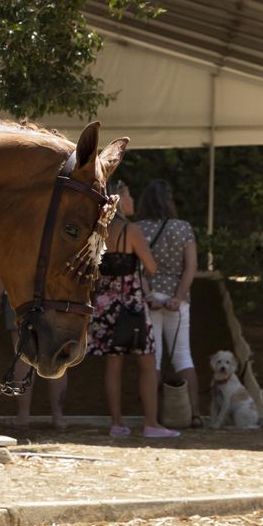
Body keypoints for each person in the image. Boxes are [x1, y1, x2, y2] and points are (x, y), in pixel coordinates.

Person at [91, 182, 178, 439]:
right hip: (131, 304)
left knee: (113, 366)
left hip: (105, 304)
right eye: (129, 195)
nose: (132, 201)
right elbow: (151, 267)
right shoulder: (132, 230)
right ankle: (151, 423)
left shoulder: (98, 230)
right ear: (119, 199)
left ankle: (117, 423)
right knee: (147, 363)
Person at [135, 180, 200, 426]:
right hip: (177, 301)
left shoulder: (137, 229)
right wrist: (178, 297)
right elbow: (191, 267)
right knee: (183, 357)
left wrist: (149, 294)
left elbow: (136, 269)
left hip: (150, 299)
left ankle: (155, 416)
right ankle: (194, 413)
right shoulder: (184, 228)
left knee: (154, 359)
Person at [0, 272, 68, 429]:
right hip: (53, 292)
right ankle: (58, 417)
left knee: (22, 356)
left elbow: (5, 261)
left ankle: (23, 415)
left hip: (17, 290)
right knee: (55, 355)